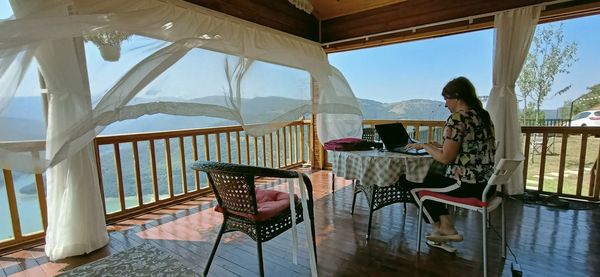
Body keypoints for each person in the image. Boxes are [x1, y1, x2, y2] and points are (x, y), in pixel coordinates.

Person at [403, 76, 496, 242]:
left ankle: (442, 227)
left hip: (467, 185)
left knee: (410, 181)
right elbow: (469, 148)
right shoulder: (483, 116)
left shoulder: (457, 119)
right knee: (429, 179)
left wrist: (425, 146)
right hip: (488, 185)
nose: (446, 104)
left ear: (457, 97)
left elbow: (446, 159)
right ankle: (443, 227)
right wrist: (437, 146)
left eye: (446, 99)